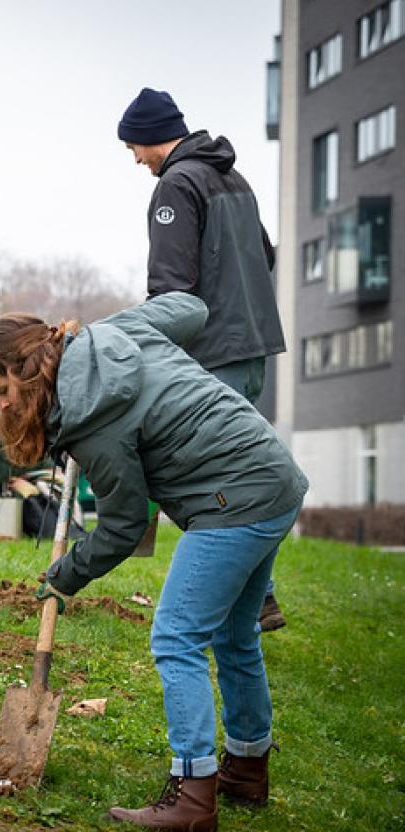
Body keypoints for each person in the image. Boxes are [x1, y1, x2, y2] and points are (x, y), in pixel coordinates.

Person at [0, 292, 307, 832]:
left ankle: (192, 796)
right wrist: (119, 330)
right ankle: (246, 768)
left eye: (2, 391)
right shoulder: (114, 335)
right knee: (235, 634)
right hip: (273, 475)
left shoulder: (91, 420)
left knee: (177, 637)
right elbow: (193, 309)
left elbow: (123, 526)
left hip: (233, 499)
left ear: (26, 369)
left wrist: (65, 575)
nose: (2, 407)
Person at [118, 87, 289, 631]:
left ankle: (246, 596)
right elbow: (266, 255)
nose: (135, 159)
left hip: (214, 351)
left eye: (133, 147)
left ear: (151, 137)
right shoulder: (233, 179)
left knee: (214, 476)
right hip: (254, 347)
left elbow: (172, 289)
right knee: (244, 469)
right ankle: (259, 599)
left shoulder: (177, 183)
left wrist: (146, 348)